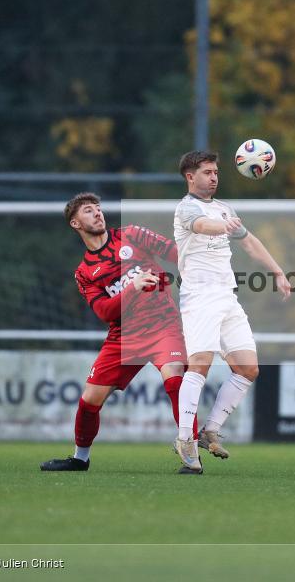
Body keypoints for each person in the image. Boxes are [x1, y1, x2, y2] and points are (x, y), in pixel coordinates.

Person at [41, 192, 198, 473]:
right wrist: (132, 286)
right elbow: (105, 312)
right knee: (89, 399)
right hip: (123, 337)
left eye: (98, 209)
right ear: (75, 224)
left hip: (163, 326)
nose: (98, 213)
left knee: (175, 379)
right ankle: (80, 458)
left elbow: (176, 254)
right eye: (89, 211)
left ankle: (191, 456)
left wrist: (199, 259)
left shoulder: (132, 235)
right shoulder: (85, 272)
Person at [171, 151, 291, 472]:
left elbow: (249, 242)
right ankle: (185, 439)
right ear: (190, 177)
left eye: (216, 172)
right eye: (207, 172)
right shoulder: (186, 208)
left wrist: (277, 271)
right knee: (199, 365)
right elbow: (204, 226)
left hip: (227, 297)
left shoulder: (225, 210)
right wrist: (224, 225)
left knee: (248, 368)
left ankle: (209, 430)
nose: (213, 177)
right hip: (199, 297)